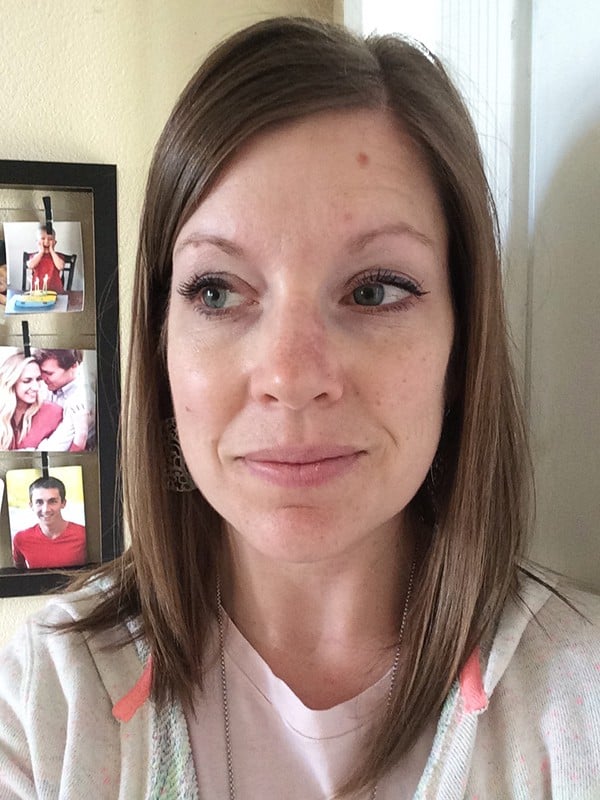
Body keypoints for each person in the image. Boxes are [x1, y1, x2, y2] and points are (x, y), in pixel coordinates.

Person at [0, 17, 598, 799]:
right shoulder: (48, 697)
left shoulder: (579, 703)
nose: (289, 375)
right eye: (217, 291)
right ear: (161, 345)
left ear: (464, 341)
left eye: (376, 289)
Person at [11, 476, 87, 569]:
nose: (46, 509)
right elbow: (19, 576)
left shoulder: (83, 535)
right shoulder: (21, 539)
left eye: (52, 501)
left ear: (63, 503)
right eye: (39, 502)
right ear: (31, 505)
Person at [34, 348, 96, 450]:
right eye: (42, 372)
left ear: (74, 366)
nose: (43, 378)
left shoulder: (81, 401)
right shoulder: (46, 386)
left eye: (49, 373)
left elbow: (56, 449)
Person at [0, 352, 63, 450]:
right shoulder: (2, 412)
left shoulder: (53, 413)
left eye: (38, 379)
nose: (36, 387)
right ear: (11, 382)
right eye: (27, 381)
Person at [26, 225, 66, 294]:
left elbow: (60, 266)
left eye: (50, 239)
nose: (46, 241)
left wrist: (52, 251)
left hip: (55, 290)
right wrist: (41, 252)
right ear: (37, 242)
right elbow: (30, 265)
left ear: (55, 242)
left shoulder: (57, 256)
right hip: (38, 291)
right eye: (43, 238)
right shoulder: (35, 256)